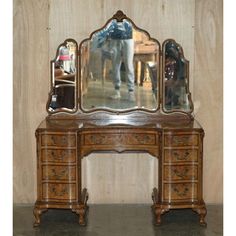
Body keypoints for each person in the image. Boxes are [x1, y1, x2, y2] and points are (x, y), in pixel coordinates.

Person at [92, 19, 135, 101]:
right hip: (114, 39)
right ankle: (117, 91)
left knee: (129, 65)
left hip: (128, 38)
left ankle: (131, 92)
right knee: (115, 66)